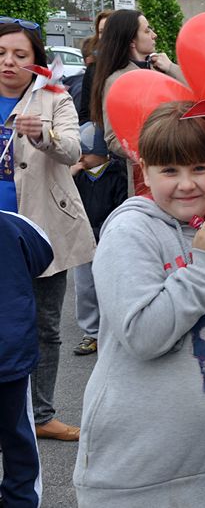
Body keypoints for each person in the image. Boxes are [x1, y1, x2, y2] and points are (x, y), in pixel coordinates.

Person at [73, 101, 205, 507]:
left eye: (200, 168)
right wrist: (203, 267)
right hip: (136, 476)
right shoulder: (130, 232)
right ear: (145, 172)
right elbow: (143, 336)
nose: (186, 184)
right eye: (170, 170)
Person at [0, 19, 96, 441]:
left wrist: (45, 135)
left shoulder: (54, 96)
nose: (9, 62)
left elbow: (74, 150)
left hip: (42, 231)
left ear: (36, 60)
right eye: (1, 53)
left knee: (44, 326)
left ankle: (41, 414)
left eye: (20, 55)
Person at [89, 8, 185, 194]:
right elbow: (113, 138)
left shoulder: (160, 69)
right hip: (146, 177)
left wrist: (171, 67)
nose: (154, 35)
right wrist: (155, 149)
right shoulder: (117, 81)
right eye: (147, 30)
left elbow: (195, 93)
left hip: (181, 162)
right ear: (132, 40)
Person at [0, 211, 53, 508]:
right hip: (10, 352)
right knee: (17, 434)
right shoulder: (11, 223)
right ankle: (21, 500)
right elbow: (43, 252)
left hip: (10, 353)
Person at [70, 123, 128, 355]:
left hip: (108, 239)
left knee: (110, 286)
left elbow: (121, 206)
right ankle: (91, 332)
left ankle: (113, 330)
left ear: (103, 153)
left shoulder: (117, 175)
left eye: (86, 152)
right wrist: (69, 176)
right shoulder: (78, 176)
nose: (81, 157)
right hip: (83, 240)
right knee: (84, 288)